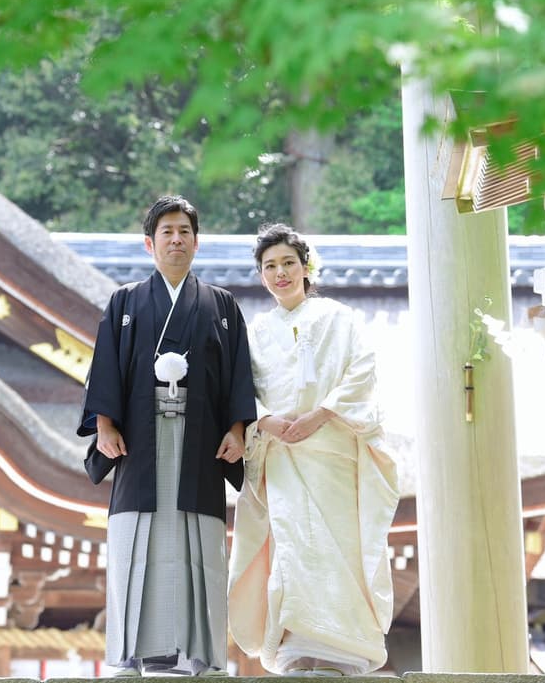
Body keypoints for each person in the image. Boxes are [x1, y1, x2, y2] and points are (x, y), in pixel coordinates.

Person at [78, 195, 256, 677]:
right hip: (139, 438)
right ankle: (127, 657)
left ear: (197, 243)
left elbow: (238, 374)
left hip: (201, 440)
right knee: (134, 540)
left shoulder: (221, 305)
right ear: (149, 244)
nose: (176, 240)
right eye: (167, 232)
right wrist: (104, 425)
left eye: (184, 232)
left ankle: (205, 657)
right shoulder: (125, 301)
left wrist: (237, 430)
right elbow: (104, 368)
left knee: (201, 545)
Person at [228, 224, 400, 677]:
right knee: (292, 547)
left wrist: (320, 415)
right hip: (282, 455)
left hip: (332, 451)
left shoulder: (339, 318)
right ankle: (296, 647)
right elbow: (240, 389)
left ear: (306, 267)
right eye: (270, 266)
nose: (280, 273)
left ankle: (344, 648)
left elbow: (362, 370)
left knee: (339, 546)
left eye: (288, 262)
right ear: (261, 275)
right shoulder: (256, 332)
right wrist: (267, 420)